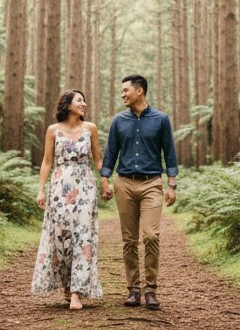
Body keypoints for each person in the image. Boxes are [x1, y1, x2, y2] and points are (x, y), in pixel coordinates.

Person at [99, 74, 178, 311]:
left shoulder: (161, 119)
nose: (122, 94)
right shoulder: (118, 120)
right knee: (129, 239)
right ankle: (133, 289)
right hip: (124, 183)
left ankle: (151, 289)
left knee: (151, 235)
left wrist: (171, 185)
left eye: (125, 90)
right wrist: (105, 179)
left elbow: (169, 153)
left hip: (152, 183)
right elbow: (111, 152)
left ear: (139, 91)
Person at [30, 89, 104, 309]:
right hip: (60, 187)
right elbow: (46, 162)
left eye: (84, 100)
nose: (84, 104)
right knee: (61, 237)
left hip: (85, 187)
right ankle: (65, 284)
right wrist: (41, 190)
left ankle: (76, 292)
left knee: (82, 236)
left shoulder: (90, 128)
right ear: (67, 104)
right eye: (79, 100)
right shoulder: (53, 130)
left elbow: (98, 161)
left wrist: (107, 180)